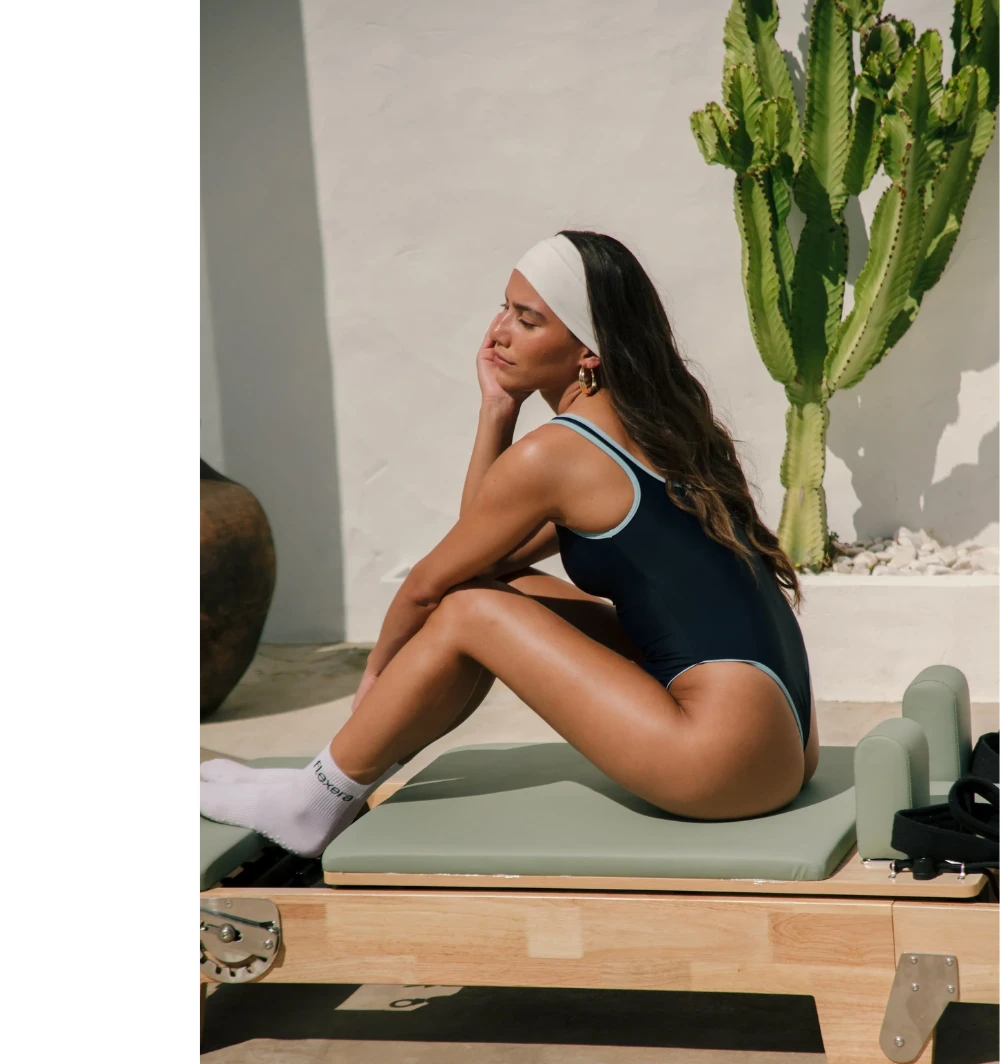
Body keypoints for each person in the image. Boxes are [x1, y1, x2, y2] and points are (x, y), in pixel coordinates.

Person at [200, 230, 819, 857]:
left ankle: (313, 800)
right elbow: (484, 551)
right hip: (781, 740)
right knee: (499, 587)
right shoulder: (659, 426)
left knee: (466, 607)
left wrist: (378, 675)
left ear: (588, 349)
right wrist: (498, 407)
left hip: (721, 757)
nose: (498, 332)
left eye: (527, 320)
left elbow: (430, 584)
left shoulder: (558, 453)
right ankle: (337, 781)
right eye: (504, 308)